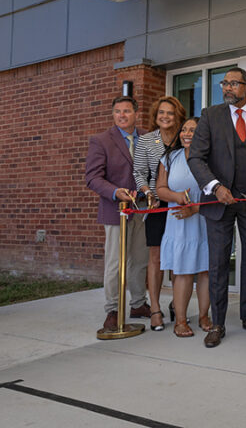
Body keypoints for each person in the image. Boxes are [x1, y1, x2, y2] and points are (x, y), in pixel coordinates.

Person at [188, 67, 246, 348]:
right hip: (219, 201)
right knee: (219, 262)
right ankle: (218, 322)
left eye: (234, 84)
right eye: (224, 83)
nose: (227, 88)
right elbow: (196, 158)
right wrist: (214, 186)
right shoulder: (210, 116)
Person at [85, 95, 150, 330]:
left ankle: (138, 303)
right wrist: (115, 192)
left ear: (135, 113)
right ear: (113, 115)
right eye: (117, 111)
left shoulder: (147, 138)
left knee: (140, 260)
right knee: (115, 263)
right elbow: (92, 178)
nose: (122, 115)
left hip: (143, 209)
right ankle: (112, 310)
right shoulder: (101, 140)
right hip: (116, 211)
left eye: (126, 111)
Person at [156, 117, 212, 338]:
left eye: (193, 130)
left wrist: (195, 208)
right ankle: (180, 320)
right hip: (178, 222)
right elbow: (160, 189)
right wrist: (177, 196)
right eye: (184, 130)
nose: (187, 133)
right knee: (182, 271)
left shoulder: (211, 159)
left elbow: (219, 192)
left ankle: (204, 317)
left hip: (205, 219)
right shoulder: (169, 157)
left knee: (206, 270)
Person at [133, 96, 185, 331]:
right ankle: (155, 308)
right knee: (156, 258)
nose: (165, 116)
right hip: (156, 207)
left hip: (181, 206)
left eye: (170, 113)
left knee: (178, 258)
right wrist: (146, 192)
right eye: (161, 113)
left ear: (178, 116)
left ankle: (178, 303)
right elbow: (139, 173)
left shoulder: (184, 138)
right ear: (155, 116)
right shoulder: (145, 141)